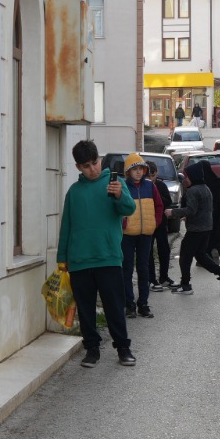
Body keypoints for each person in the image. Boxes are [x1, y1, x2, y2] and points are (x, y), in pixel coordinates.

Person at [57, 140, 137, 366]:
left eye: (95, 163)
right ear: (78, 168)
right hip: (79, 261)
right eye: (86, 166)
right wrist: (62, 259)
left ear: (100, 160)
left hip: (108, 257)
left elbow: (129, 209)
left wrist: (120, 194)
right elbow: (67, 226)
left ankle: (123, 348)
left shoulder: (115, 184)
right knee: (85, 309)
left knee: (114, 306)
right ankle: (92, 349)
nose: (92, 169)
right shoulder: (74, 192)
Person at [168, 161, 220, 295]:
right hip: (206, 228)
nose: (185, 179)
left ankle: (186, 286)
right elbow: (202, 208)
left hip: (196, 230)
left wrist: (173, 212)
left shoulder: (193, 190)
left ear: (194, 176)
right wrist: (188, 217)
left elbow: (191, 209)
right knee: (201, 255)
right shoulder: (205, 187)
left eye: (187, 176)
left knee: (185, 256)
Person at [118, 153, 160, 317]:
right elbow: (118, 207)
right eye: (134, 169)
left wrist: (154, 223)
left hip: (145, 234)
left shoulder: (151, 186)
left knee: (143, 269)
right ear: (128, 172)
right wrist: (123, 223)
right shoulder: (123, 187)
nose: (138, 172)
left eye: (140, 169)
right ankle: (129, 304)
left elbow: (159, 206)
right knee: (126, 269)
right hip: (127, 235)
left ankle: (143, 303)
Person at [145, 160, 174, 291]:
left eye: (153, 175)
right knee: (148, 251)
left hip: (161, 222)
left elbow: (168, 201)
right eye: (148, 176)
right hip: (148, 222)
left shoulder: (161, 185)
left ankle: (164, 277)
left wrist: (157, 195)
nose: (151, 178)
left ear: (156, 173)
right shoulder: (144, 186)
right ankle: (151, 279)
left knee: (164, 249)